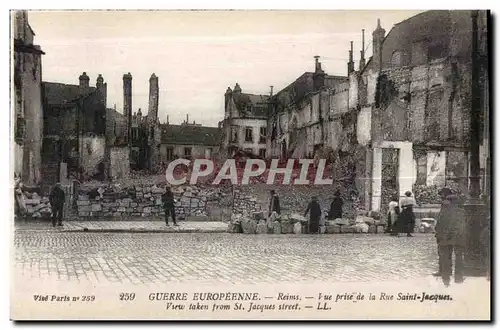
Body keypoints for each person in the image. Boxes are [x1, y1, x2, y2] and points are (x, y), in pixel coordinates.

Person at [435, 187, 465, 286]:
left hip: (445, 237)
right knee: (459, 257)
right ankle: (458, 278)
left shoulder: (444, 209)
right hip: (458, 237)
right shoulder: (461, 211)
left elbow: (439, 223)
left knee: (445, 258)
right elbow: (463, 225)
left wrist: (438, 234)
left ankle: (446, 279)